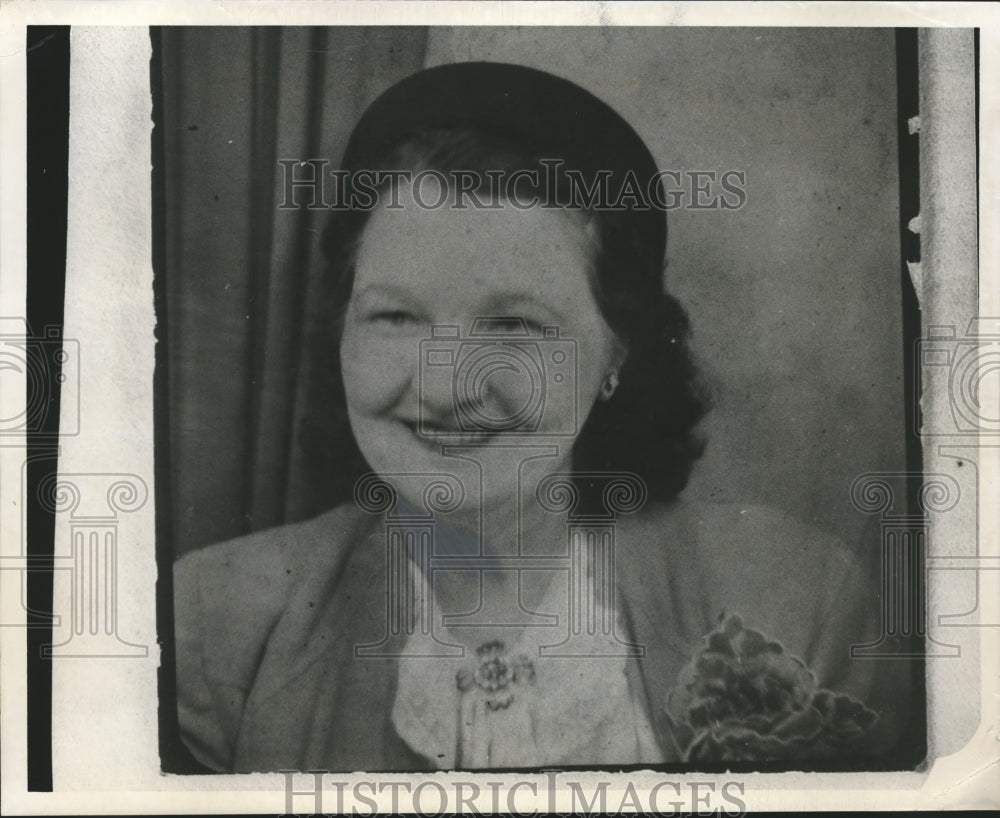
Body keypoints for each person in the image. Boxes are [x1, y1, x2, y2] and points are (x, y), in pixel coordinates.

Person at [173, 62, 909, 772]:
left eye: (515, 327)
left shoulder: (794, 598)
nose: (445, 388)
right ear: (342, 332)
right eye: (395, 316)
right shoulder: (215, 622)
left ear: (619, 350)